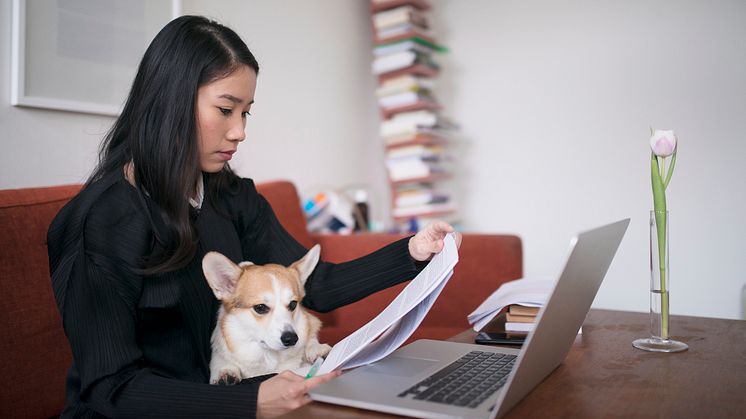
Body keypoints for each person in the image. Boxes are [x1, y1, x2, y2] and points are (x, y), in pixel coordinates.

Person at [47, 15, 460, 419]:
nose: (239, 131)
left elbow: (313, 286)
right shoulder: (100, 223)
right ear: (169, 102)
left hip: (233, 397)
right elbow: (110, 388)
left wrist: (413, 252)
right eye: (226, 109)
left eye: (246, 113)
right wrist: (249, 403)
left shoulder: (231, 195)